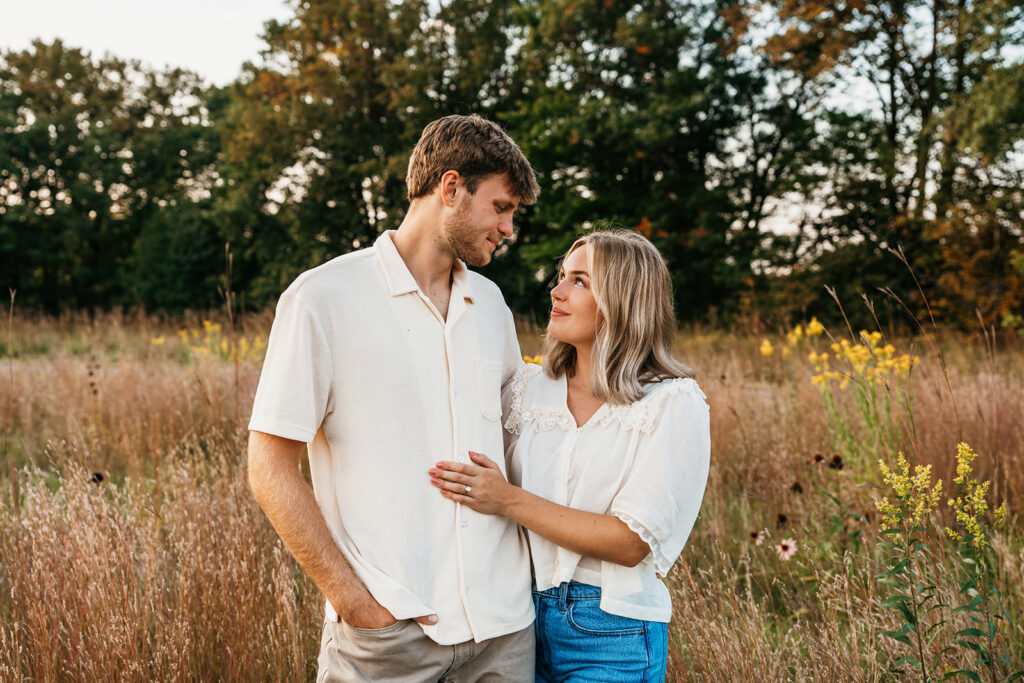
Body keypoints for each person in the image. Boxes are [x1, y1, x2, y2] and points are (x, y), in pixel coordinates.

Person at [247, 114, 541, 682]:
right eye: (501, 208)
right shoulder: (322, 298)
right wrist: (358, 606)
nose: (508, 228)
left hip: (503, 631)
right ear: (451, 188)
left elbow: (518, 437)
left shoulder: (492, 305)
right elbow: (269, 468)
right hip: (389, 638)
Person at [428, 229, 711, 681]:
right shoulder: (525, 389)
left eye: (580, 281)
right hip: (511, 619)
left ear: (625, 300)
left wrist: (508, 499)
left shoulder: (671, 404)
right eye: (562, 276)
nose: (557, 291)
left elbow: (630, 543)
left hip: (610, 630)